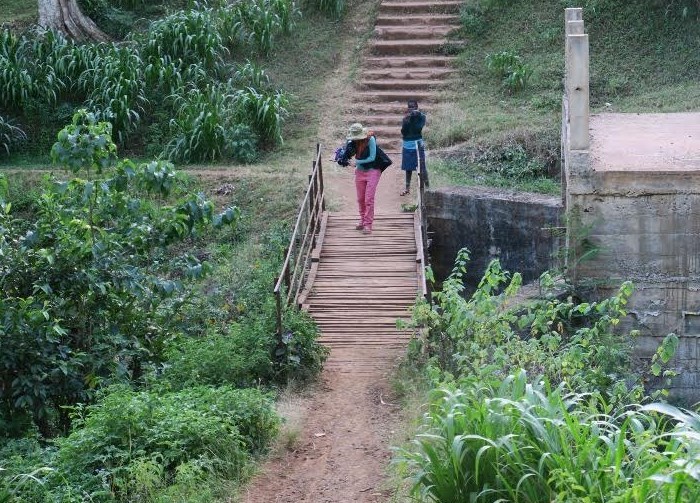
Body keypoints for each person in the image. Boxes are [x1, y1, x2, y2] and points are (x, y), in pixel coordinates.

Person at [343, 122, 382, 235]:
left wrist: (357, 162)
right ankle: (362, 220)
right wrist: (344, 156)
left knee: (368, 199)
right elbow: (348, 155)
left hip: (373, 170)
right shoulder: (352, 142)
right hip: (360, 171)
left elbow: (372, 157)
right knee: (360, 199)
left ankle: (368, 224)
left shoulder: (370, 139)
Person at [400, 99, 429, 196]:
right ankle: (407, 188)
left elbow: (418, 129)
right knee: (408, 169)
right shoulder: (405, 119)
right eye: (410, 107)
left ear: (417, 108)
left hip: (417, 144)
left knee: (422, 167)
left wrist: (417, 116)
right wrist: (406, 120)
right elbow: (403, 132)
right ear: (408, 108)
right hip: (407, 145)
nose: (411, 109)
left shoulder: (422, 117)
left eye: (413, 107)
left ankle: (427, 187)